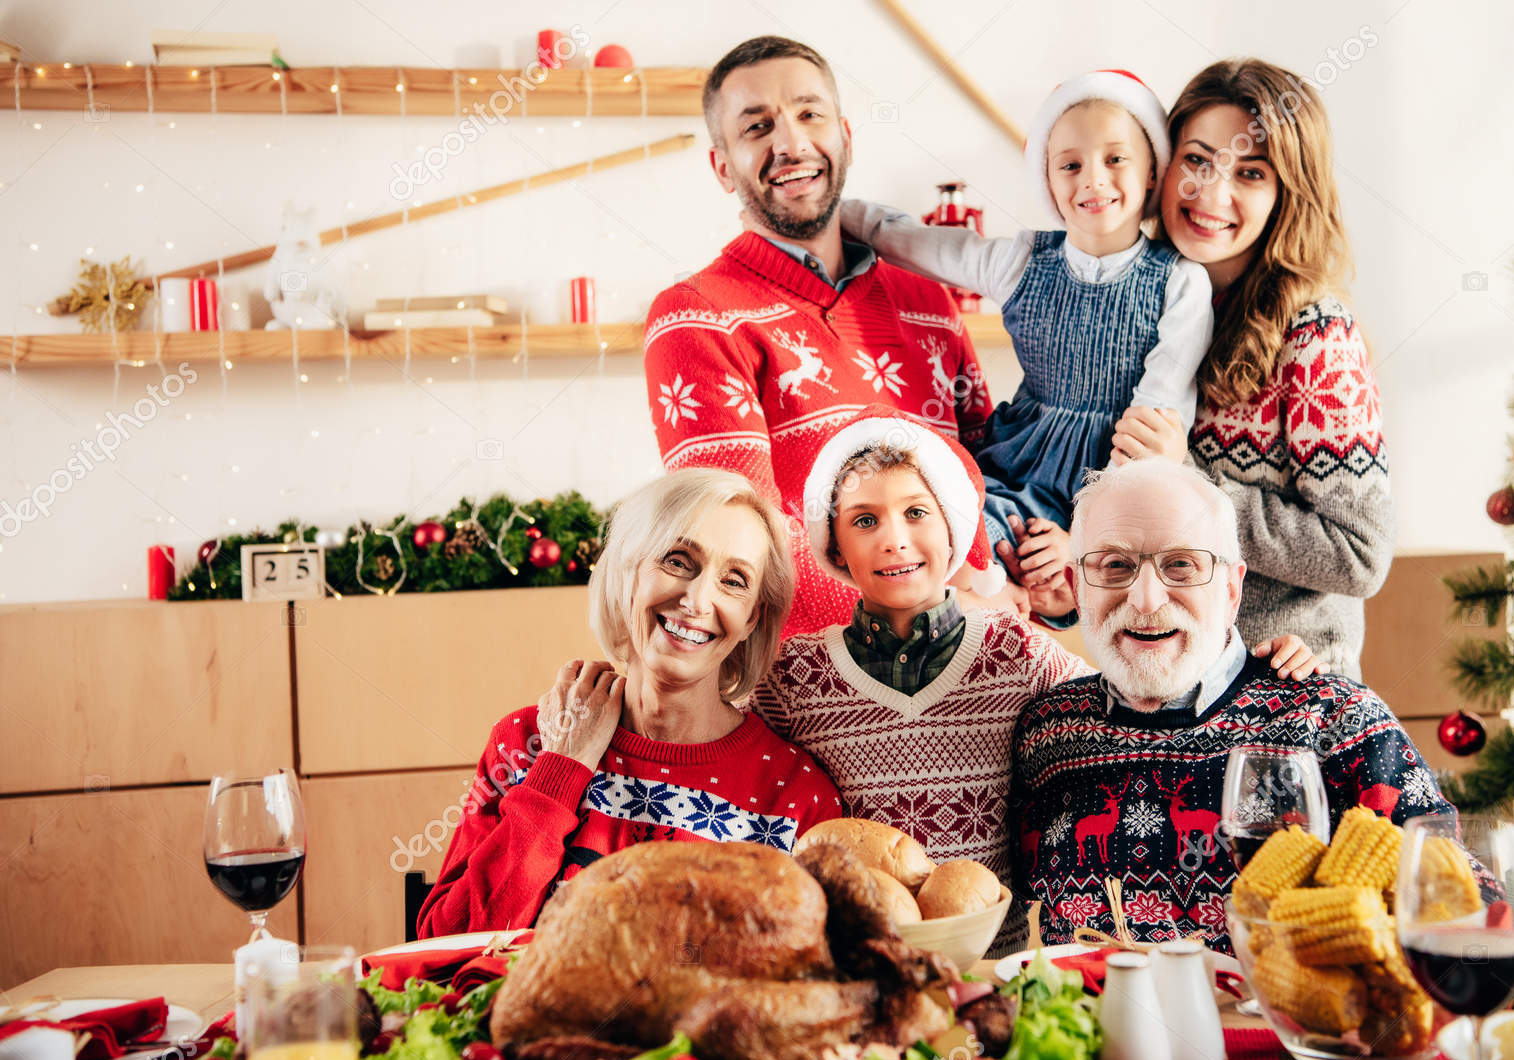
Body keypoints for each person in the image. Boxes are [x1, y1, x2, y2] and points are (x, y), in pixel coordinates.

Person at [751, 406, 1322, 953]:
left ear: (954, 527)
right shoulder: (794, 675)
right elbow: (720, 731)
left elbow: (1142, 687)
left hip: (1000, 968)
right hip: (864, 959)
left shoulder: (1014, 651)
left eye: (917, 513)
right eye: (864, 520)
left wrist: (1252, 666)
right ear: (834, 545)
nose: (894, 538)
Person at [1012, 459, 1454, 951]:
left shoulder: (1333, 719)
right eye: (1114, 566)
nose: (1145, 599)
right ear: (1077, 589)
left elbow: (1462, 913)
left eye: (1181, 564)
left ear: (1231, 588)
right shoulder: (1044, 729)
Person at [645, 36, 997, 640]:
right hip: (811, 694)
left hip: (969, 672)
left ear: (846, 137)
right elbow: (744, 545)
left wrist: (1038, 567)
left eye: (810, 114)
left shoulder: (929, 302)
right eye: (757, 126)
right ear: (722, 166)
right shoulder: (694, 318)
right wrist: (944, 620)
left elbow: (985, 480)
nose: (791, 142)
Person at [840, 70, 1213, 616]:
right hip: (1014, 463)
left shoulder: (1180, 280)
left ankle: (1040, 598)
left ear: (1154, 170)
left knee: (1052, 575)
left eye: (1115, 159)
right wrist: (832, 214)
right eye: (1070, 165)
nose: (1093, 179)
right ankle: (989, 618)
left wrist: (1085, 540)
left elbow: (1153, 429)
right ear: (1048, 179)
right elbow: (910, 241)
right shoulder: (1021, 261)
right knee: (952, 541)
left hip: (1106, 483)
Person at [417, 468, 841, 937]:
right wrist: (562, 765)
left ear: (751, 619)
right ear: (628, 573)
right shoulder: (527, 743)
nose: (697, 600)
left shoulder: (797, 796)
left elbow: (800, 979)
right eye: (678, 560)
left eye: (735, 580)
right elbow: (444, 943)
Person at [1144, 58, 1393, 678]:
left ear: (1288, 193)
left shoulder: (1314, 337)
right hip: (1165, 684)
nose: (1210, 193)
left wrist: (1189, 485)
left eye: (1249, 173)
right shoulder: (1142, 309)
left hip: (1284, 694)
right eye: (1196, 160)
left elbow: (1360, 555)